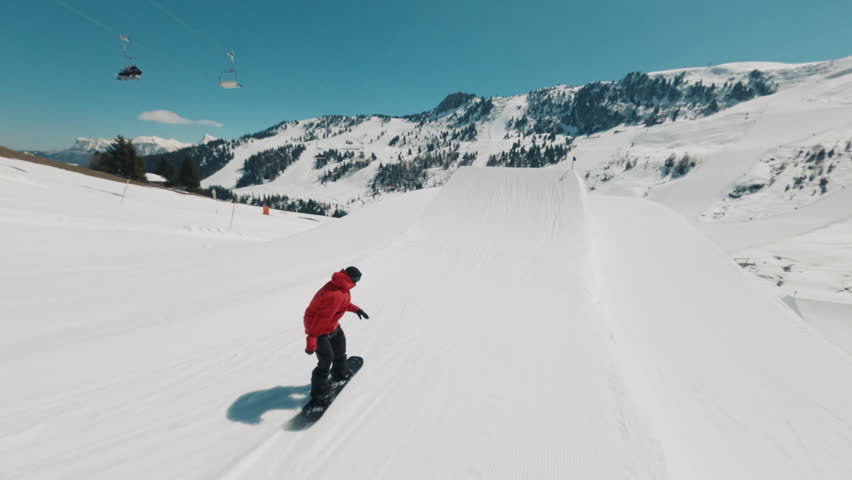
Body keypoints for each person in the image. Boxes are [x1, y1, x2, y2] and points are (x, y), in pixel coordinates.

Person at [303, 266, 369, 406]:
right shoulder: (335, 295)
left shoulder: (341, 286)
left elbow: (342, 304)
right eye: (357, 280)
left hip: (331, 324)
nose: (357, 283)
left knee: (340, 346)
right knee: (326, 360)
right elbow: (321, 318)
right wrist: (312, 339)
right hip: (318, 329)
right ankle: (320, 394)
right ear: (352, 279)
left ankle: (339, 372)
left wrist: (356, 309)